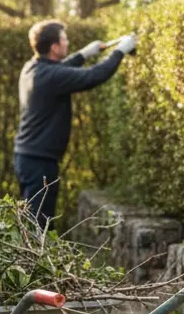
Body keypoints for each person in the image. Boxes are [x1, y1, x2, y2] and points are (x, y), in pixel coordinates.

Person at [13, 20, 137, 232]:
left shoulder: (32, 68)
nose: (67, 42)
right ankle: (33, 264)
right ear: (54, 46)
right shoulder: (51, 76)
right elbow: (94, 76)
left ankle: (29, 261)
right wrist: (120, 51)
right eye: (64, 39)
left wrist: (84, 54)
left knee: (31, 221)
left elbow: (59, 69)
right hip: (40, 163)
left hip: (28, 158)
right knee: (37, 227)